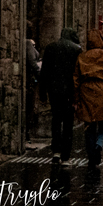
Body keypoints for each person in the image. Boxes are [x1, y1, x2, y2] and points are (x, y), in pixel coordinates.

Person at [73, 29, 103, 167]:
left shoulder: (82, 57)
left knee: (89, 125)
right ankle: (99, 144)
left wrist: (76, 98)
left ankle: (91, 155)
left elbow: (75, 79)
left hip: (86, 91)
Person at [39, 27, 82, 163]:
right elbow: (78, 74)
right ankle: (66, 156)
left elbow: (44, 71)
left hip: (54, 90)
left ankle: (56, 151)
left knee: (56, 119)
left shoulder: (51, 48)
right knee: (68, 123)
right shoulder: (76, 50)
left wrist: (42, 92)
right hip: (69, 91)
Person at [24, 21, 42, 136]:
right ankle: (27, 134)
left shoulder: (27, 43)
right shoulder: (28, 44)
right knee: (29, 108)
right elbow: (32, 61)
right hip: (30, 80)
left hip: (29, 79)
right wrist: (40, 73)